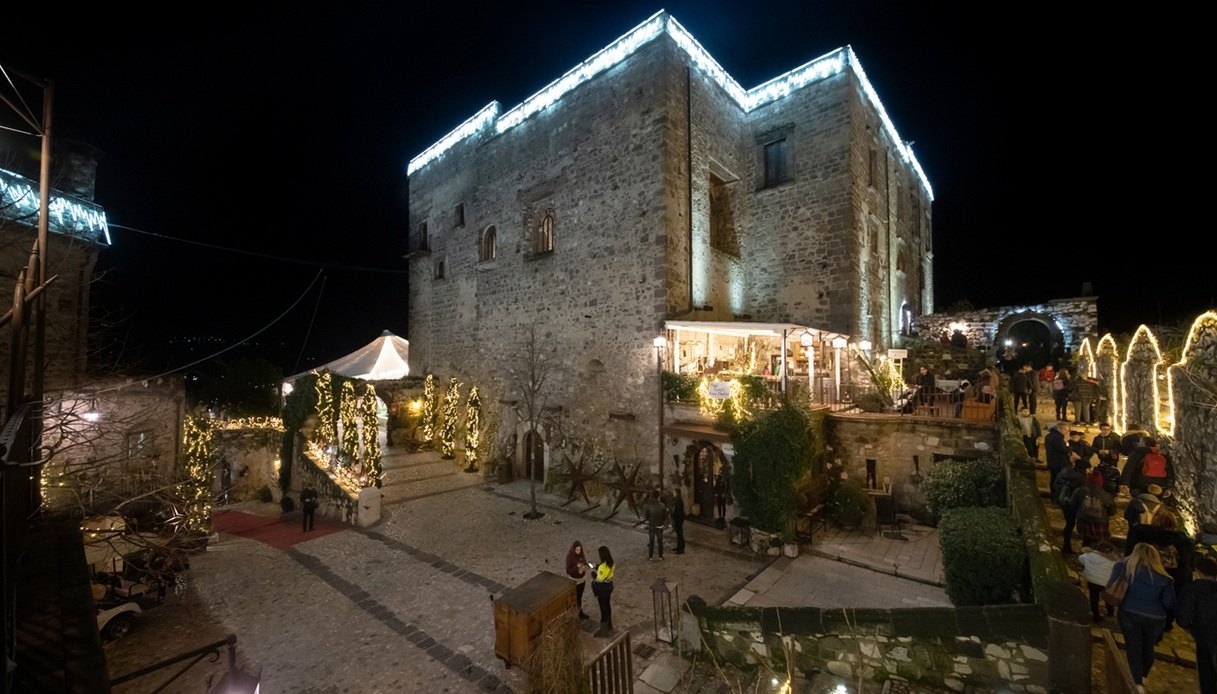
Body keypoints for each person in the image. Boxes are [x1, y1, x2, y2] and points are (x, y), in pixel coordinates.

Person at [1113, 542, 1177, 692]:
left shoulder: (1125, 568)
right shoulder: (1164, 578)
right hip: (1155, 618)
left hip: (1129, 612)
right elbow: (1169, 603)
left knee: (1133, 646)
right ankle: (1144, 675)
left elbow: (1113, 586)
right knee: (1148, 647)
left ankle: (1137, 682)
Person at [1126, 506, 1194, 597]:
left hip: (1142, 584)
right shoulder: (1182, 542)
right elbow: (1187, 567)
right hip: (1171, 588)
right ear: (1174, 524)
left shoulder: (1141, 536)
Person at [1177, 554, 1217, 694]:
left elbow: (1183, 619)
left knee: (1208, 676)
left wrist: (1191, 628)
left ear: (1197, 572)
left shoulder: (1192, 590)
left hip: (1205, 638)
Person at [1079, 540, 1119, 622]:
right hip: (1106, 582)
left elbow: (1081, 559)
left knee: (1094, 597)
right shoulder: (1112, 562)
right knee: (1108, 597)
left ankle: (1096, 614)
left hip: (1092, 580)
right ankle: (1110, 612)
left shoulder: (1087, 555)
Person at [1054, 459, 1088, 556]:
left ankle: (1066, 545)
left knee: (1069, 524)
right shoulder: (1081, 479)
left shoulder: (1064, 473)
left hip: (1064, 501)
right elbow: (1081, 493)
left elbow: (1056, 485)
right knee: (1071, 524)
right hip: (1073, 503)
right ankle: (1068, 547)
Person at [1072, 472, 1113, 549]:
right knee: (1100, 544)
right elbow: (1112, 511)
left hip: (1083, 521)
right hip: (1100, 524)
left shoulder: (1080, 491)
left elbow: (1073, 504)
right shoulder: (1105, 495)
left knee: (1086, 541)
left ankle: (1085, 556)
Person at [1044, 421, 1078, 491]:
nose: (1066, 433)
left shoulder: (1049, 435)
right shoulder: (1057, 438)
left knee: (1053, 478)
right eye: (1066, 430)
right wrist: (1069, 449)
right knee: (1058, 480)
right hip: (1059, 463)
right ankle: (1057, 496)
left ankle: (1053, 495)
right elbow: (1063, 449)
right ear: (1061, 429)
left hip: (1052, 461)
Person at [591, 545, 615, 636]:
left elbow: (599, 579)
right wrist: (596, 566)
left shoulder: (602, 567)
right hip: (609, 586)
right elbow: (605, 569)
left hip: (603, 588)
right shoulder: (611, 562)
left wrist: (593, 574)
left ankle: (604, 628)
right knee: (608, 605)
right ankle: (609, 624)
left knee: (603, 607)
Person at [1091, 423, 1122, 493]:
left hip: (1111, 461)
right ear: (1100, 429)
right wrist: (1098, 451)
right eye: (1104, 429)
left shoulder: (1115, 438)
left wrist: (1109, 451)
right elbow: (1092, 448)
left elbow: (1118, 449)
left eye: (1108, 429)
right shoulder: (1097, 439)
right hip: (1100, 460)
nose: (1106, 431)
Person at [565, 540, 590, 619]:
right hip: (574, 580)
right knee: (574, 598)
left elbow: (585, 562)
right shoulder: (570, 557)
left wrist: (584, 567)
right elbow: (568, 570)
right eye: (577, 550)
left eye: (579, 549)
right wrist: (577, 569)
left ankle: (579, 612)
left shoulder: (581, 556)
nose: (578, 551)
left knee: (579, 597)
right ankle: (575, 613)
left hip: (581, 580)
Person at [644, 490, 668, 561]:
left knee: (651, 541)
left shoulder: (648, 505)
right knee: (660, 541)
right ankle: (660, 556)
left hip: (652, 525)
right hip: (660, 525)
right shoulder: (662, 505)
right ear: (658, 496)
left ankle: (650, 557)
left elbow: (646, 516)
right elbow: (665, 516)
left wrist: (650, 520)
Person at [670, 490, 686, 554]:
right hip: (679, 519)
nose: (673, 493)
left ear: (677, 493)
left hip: (678, 519)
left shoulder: (678, 501)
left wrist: (673, 515)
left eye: (674, 492)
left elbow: (678, 512)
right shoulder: (677, 499)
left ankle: (681, 549)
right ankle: (680, 546)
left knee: (679, 534)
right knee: (679, 533)